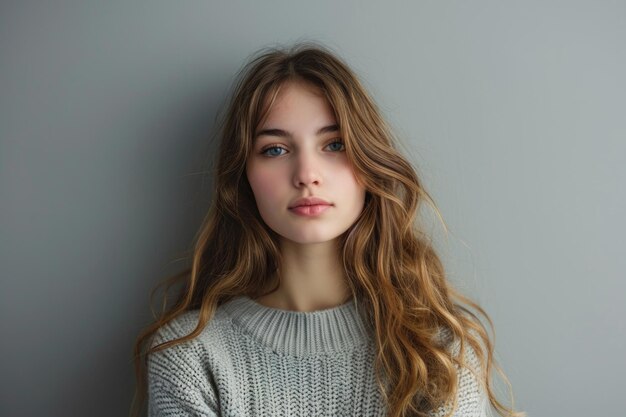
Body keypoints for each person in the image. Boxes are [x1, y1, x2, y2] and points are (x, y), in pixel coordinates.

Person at [130, 41, 526, 417]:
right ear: (243, 176)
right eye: (275, 149)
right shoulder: (189, 357)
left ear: (369, 162)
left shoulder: (437, 352)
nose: (306, 175)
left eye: (334, 145)